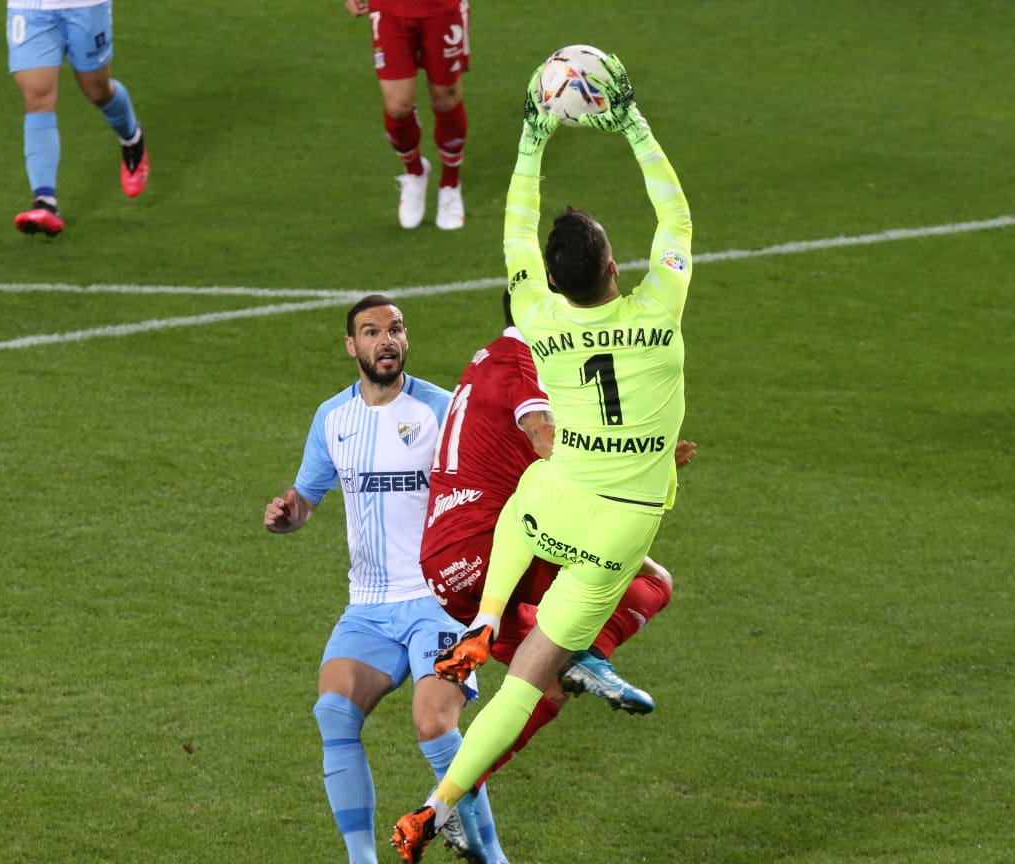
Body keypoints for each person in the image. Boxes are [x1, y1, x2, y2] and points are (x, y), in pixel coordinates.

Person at [392, 52, 693, 861]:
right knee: (533, 677)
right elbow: (677, 217)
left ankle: (484, 627)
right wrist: (629, 121)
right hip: (615, 531)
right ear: (614, 268)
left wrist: (531, 135)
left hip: (552, 506)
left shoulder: (540, 323)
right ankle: (439, 799)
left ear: (551, 285)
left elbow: (514, 231)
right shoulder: (661, 310)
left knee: (532, 486)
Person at [265, 295, 506, 864]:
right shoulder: (333, 417)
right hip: (369, 606)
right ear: (353, 346)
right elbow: (307, 497)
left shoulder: (441, 410)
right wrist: (288, 515)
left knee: (433, 722)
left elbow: (498, 478)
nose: (386, 340)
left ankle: (492, 856)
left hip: (442, 603)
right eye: (372, 332)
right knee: (333, 712)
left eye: (395, 329)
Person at [419, 291, 696, 780]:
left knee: (547, 687)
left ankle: (451, 802)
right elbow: (546, 440)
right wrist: (636, 464)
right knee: (650, 580)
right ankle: (589, 655)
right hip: (485, 545)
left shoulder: (488, 358)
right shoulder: (524, 358)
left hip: (447, 569)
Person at [6, 0, 149, 237]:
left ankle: (132, 137)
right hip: (30, 9)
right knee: (37, 97)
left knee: (97, 90)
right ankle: (44, 201)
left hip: (86, 5)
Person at [343, 0, 469, 231]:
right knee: (398, 107)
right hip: (389, 8)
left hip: (442, 9)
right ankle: (414, 171)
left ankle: (450, 183)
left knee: (446, 98)